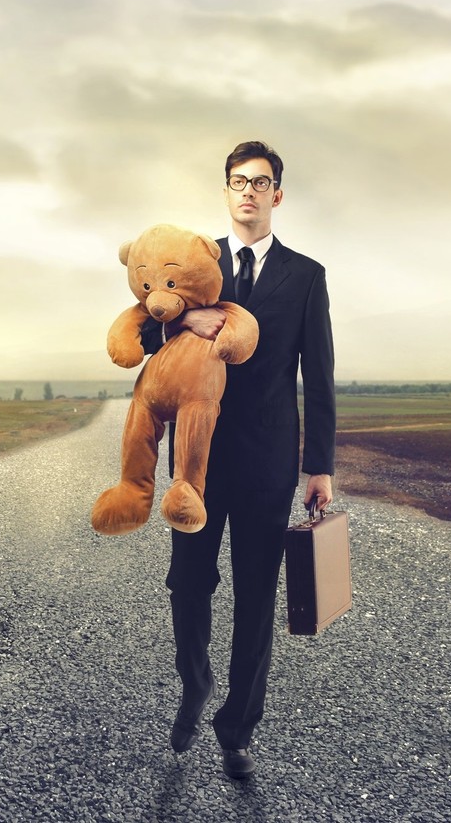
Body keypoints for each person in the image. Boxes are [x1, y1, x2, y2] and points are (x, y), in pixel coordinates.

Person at [140, 140, 336, 781]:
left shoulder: (306, 277)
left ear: (277, 194)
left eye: (260, 182)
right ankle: (194, 686)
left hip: (268, 459)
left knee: (256, 598)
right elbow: (145, 326)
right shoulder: (195, 263)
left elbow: (319, 375)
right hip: (196, 461)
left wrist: (319, 466)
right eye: (236, 181)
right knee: (187, 585)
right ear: (225, 193)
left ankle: (236, 729)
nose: (247, 191)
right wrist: (187, 315)